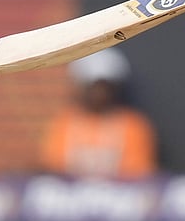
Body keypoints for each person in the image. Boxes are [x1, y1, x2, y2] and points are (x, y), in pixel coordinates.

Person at [39, 48, 158, 180]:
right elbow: (53, 167)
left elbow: (139, 172)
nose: (99, 94)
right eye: (93, 86)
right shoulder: (65, 122)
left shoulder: (133, 125)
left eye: (105, 87)